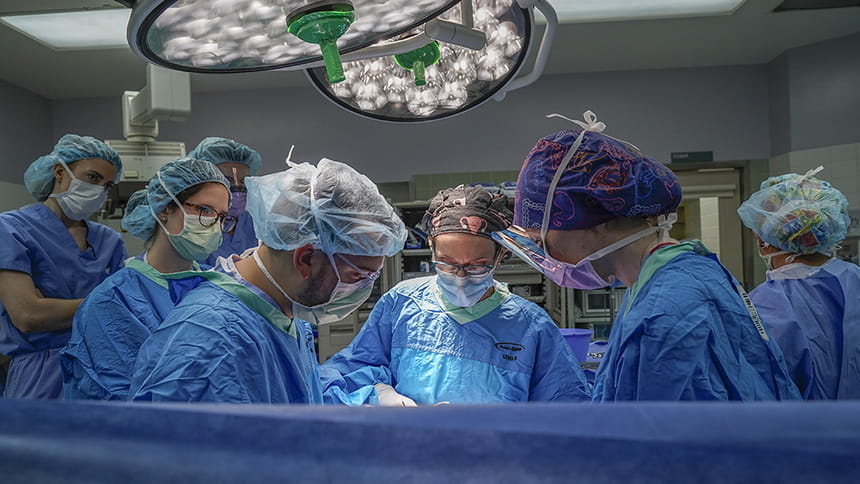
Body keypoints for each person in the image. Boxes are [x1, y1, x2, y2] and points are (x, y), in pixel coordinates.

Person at [493, 111, 800, 401]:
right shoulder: (681, 270)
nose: (542, 249)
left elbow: (654, 437)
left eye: (540, 235)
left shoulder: (664, 310)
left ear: (593, 222)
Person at [128, 158, 407, 403]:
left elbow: (296, 405)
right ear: (305, 259)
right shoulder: (212, 342)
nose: (362, 288)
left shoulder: (282, 311)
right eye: (357, 275)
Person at [321, 185, 591, 406]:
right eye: (447, 262)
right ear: (431, 248)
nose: (460, 277)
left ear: (501, 256)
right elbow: (346, 372)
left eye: (476, 265)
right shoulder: (401, 303)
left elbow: (567, 406)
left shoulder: (532, 325)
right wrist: (379, 394)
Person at [61, 157, 231, 400]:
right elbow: (117, 399)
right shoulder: (112, 301)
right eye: (205, 211)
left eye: (223, 217)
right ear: (164, 208)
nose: (214, 225)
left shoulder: (218, 287)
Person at [0, 134, 126, 399]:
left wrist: (52, 306)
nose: (100, 190)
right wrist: (101, 304)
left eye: (107, 185)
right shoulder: (11, 228)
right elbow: (28, 316)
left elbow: (121, 317)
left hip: (103, 372)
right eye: (93, 178)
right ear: (60, 171)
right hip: (40, 375)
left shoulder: (109, 241)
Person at [738, 167, 859, 399]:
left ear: (765, 242)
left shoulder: (761, 306)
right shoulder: (854, 279)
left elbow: (757, 391)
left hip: (803, 431)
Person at [188, 137, 262, 266]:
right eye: (226, 180)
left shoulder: (256, 224)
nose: (238, 187)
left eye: (244, 181)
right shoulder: (193, 225)